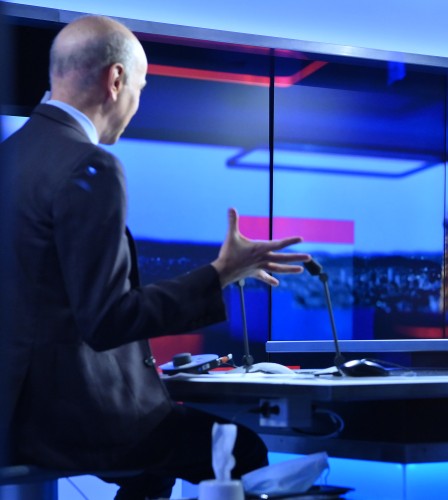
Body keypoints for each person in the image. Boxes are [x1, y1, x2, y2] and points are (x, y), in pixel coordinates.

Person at [0, 14, 311, 499]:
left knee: (157, 463)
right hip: (70, 421)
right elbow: (107, 320)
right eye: (140, 88)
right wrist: (219, 274)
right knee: (241, 450)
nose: (136, 104)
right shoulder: (90, 165)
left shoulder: (12, 155)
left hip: (14, 415)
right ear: (116, 80)